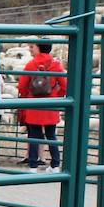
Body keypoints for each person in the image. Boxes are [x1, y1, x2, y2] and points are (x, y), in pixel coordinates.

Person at [17, 41, 67, 173]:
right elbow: (64, 85)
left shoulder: (31, 64)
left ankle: (33, 166)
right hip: (51, 104)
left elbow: (22, 85)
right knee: (51, 135)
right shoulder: (56, 64)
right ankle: (55, 165)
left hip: (34, 103)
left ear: (39, 48)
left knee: (34, 134)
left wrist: (26, 95)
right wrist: (57, 95)